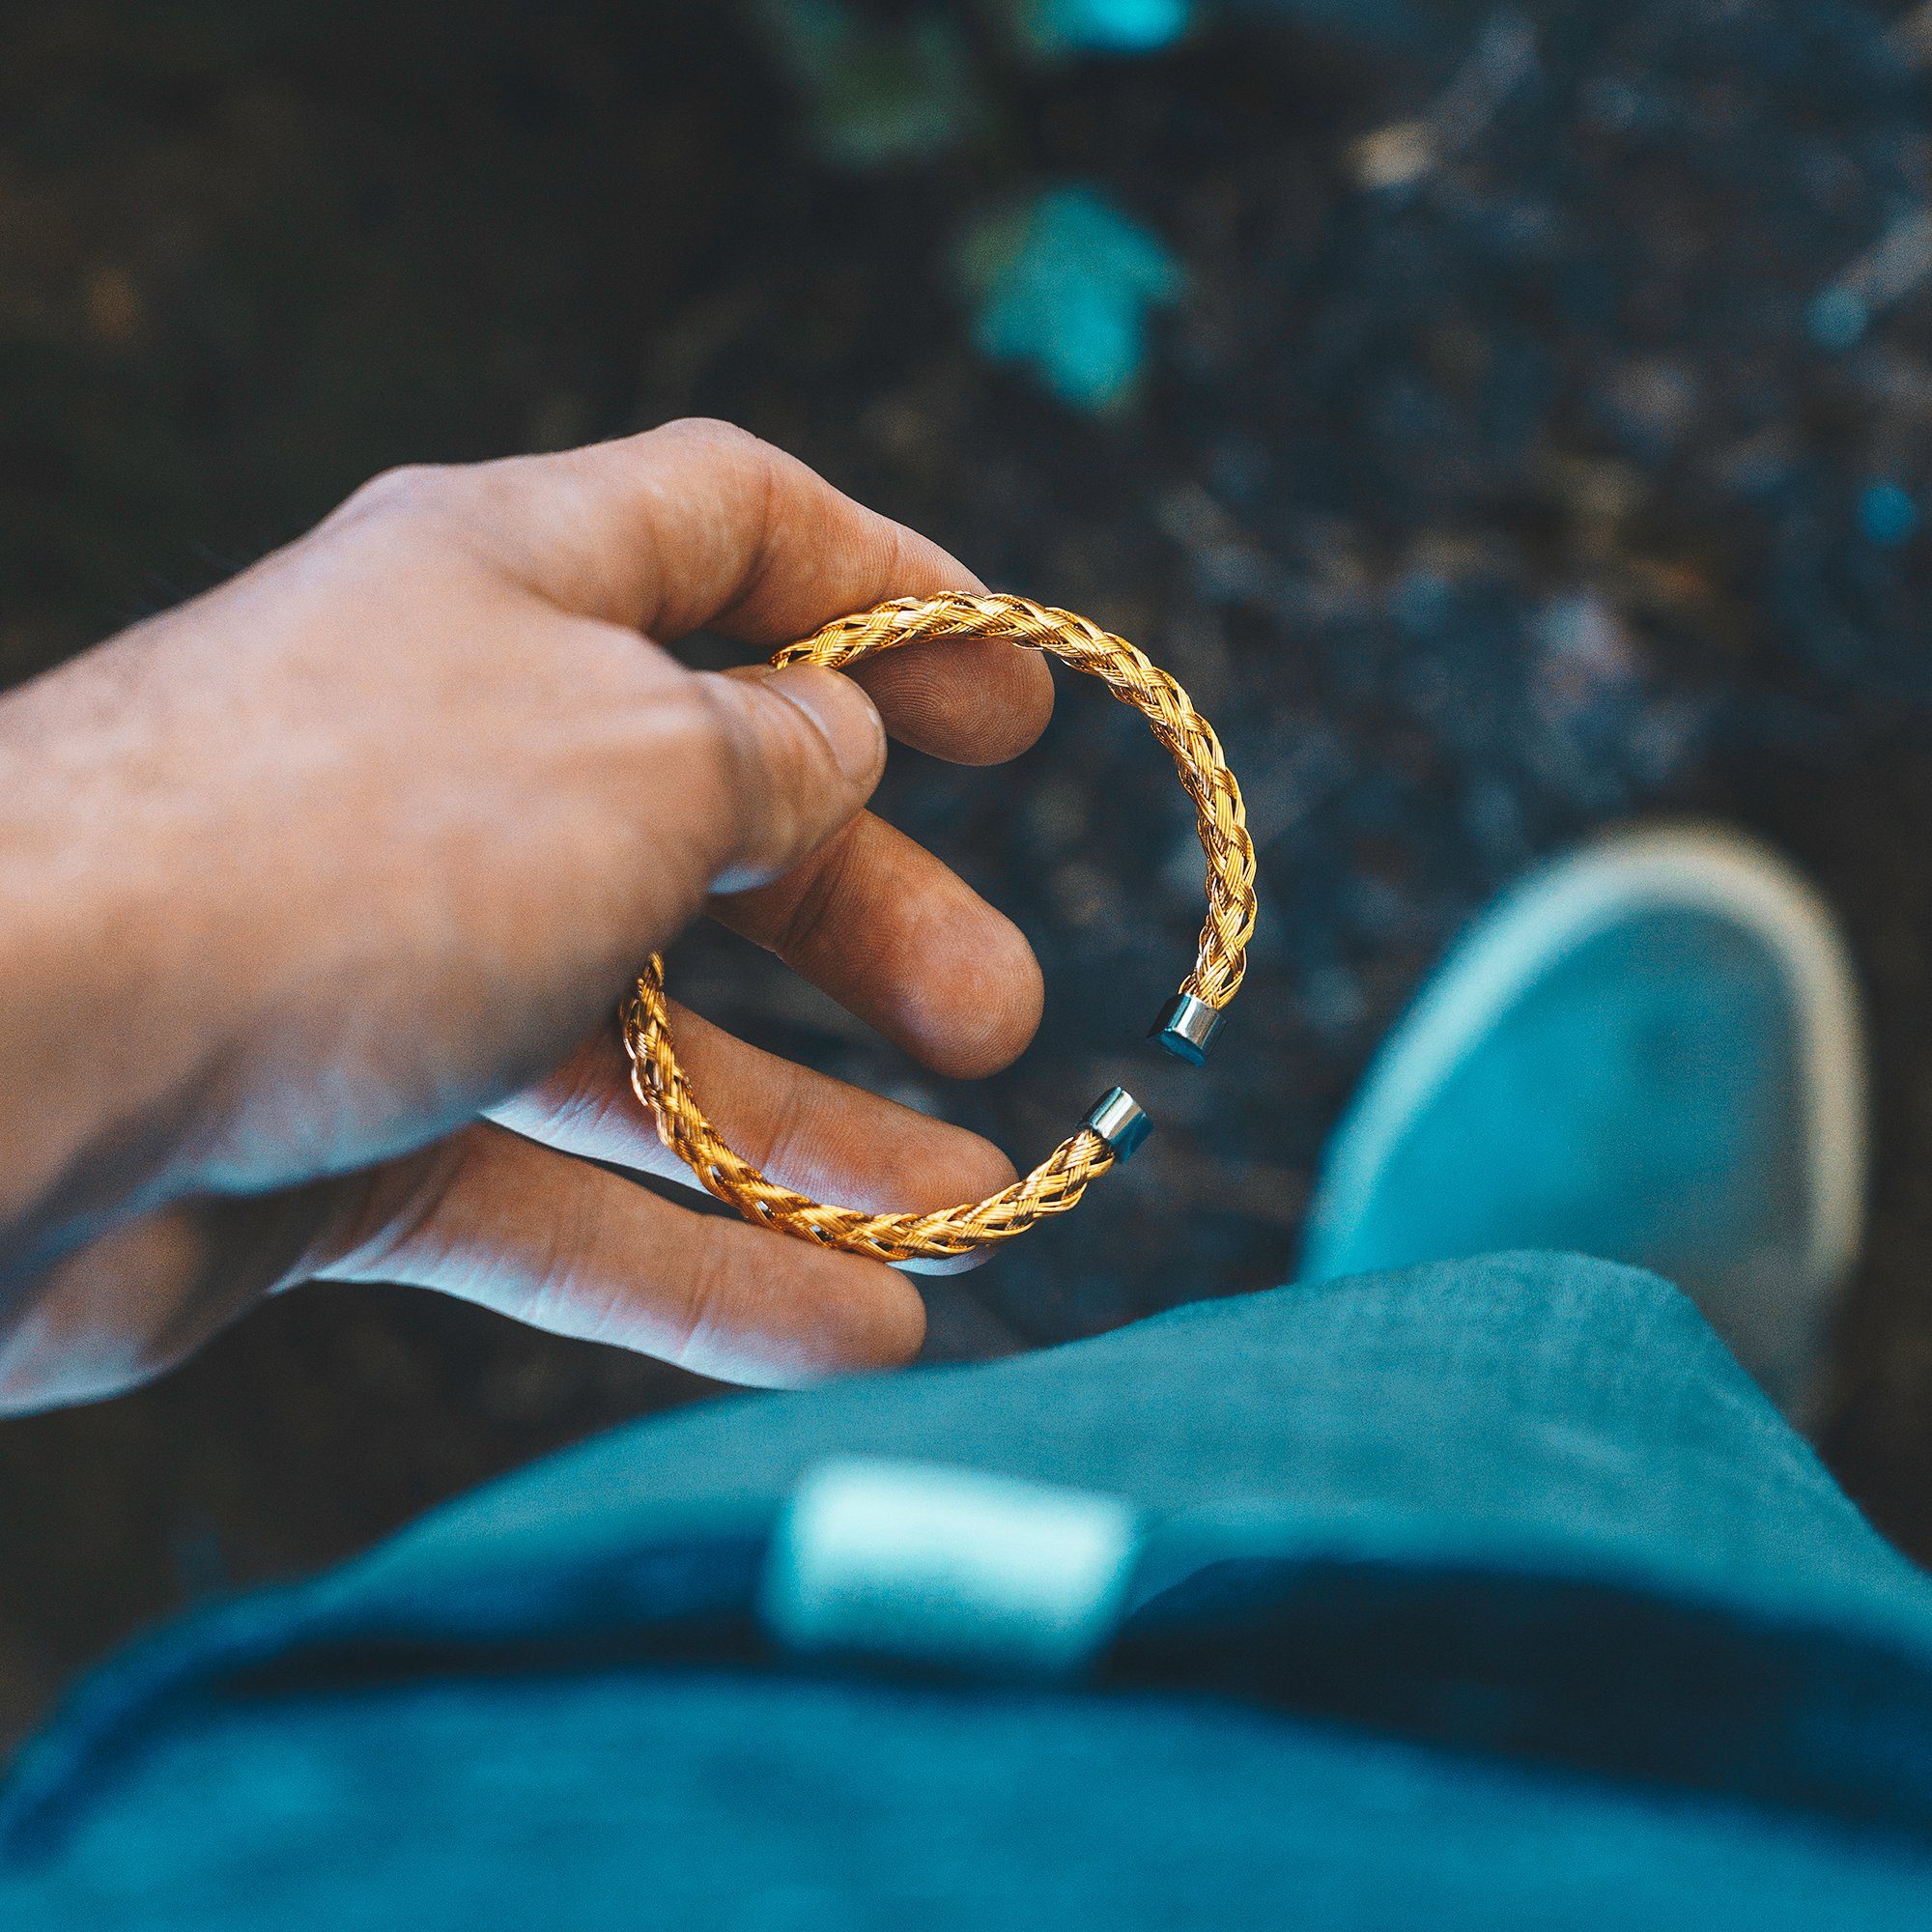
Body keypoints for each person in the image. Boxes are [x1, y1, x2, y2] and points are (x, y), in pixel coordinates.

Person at [0, 422, 1928, 1926]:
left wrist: (96, 952)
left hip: (411, 1825)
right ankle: (1559, 1427)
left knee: (1427, 1420)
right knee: (1533, 1414)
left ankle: (1489, 1413)